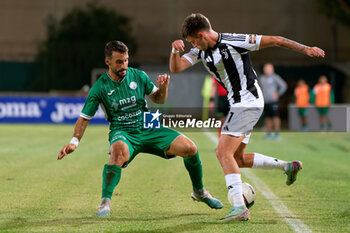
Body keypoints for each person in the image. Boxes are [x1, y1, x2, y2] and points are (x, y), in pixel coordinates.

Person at [169, 13, 325, 221]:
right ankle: (288, 166)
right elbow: (176, 67)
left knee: (222, 153)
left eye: (193, 41)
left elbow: (276, 40)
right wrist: (173, 50)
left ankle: (239, 208)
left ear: (201, 34)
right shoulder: (200, 51)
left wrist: (306, 49)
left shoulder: (235, 41)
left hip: (247, 102)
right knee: (237, 158)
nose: (192, 45)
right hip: (241, 104)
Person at [57, 40, 223, 217]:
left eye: (126, 60)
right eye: (119, 62)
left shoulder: (138, 76)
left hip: (149, 124)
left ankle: (199, 191)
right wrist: (74, 142)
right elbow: (84, 119)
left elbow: (159, 100)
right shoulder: (99, 88)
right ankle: (105, 203)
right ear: (108, 62)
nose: (124, 65)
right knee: (117, 152)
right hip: (122, 130)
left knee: (191, 148)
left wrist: (164, 88)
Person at [258, 63, 287, 140]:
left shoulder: (275, 77)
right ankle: (268, 133)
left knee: (275, 117)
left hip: (273, 101)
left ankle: (277, 133)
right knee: (267, 117)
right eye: (265, 68)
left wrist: (278, 93)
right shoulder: (261, 78)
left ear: (272, 69)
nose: (266, 70)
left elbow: (284, 86)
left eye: (268, 68)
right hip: (265, 101)